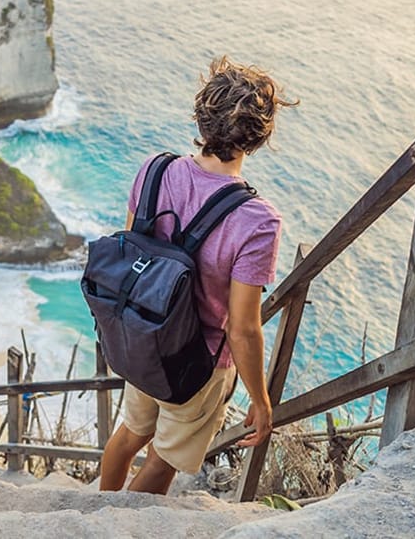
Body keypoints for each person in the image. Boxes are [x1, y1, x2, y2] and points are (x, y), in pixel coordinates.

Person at [98, 56, 297, 495]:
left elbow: (134, 252)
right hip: (198, 363)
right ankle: (111, 524)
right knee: (164, 459)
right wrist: (260, 401)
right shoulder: (257, 220)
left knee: (130, 433)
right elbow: (243, 329)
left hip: (142, 336)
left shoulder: (155, 170)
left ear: (202, 117)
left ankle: (96, 511)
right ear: (259, 136)